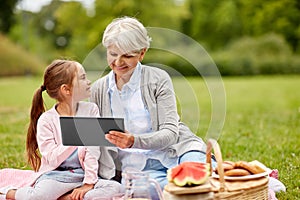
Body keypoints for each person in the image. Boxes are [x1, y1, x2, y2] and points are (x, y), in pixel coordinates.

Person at [90, 16, 215, 199]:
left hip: (179, 151)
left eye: (127, 56)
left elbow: (171, 132)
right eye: (113, 54)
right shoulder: (98, 89)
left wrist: (134, 141)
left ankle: (246, 182)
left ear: (142, 53)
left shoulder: (158, 79)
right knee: (162, 191)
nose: (118, 62)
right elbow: (95, 138)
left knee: (199, 181)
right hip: (137, 168)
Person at [1, 59, 120, 200]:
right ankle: (9, 194)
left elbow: (92, 151)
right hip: (56, 177)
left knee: (117, 189)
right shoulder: (46, 120)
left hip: (81, 175)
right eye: (82, 78)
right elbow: (51, 159)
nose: (88, 82)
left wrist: (89, 182)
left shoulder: (91, 110)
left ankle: (65, 197)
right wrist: (75, 138)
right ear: (66, 90)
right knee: (38, 196)